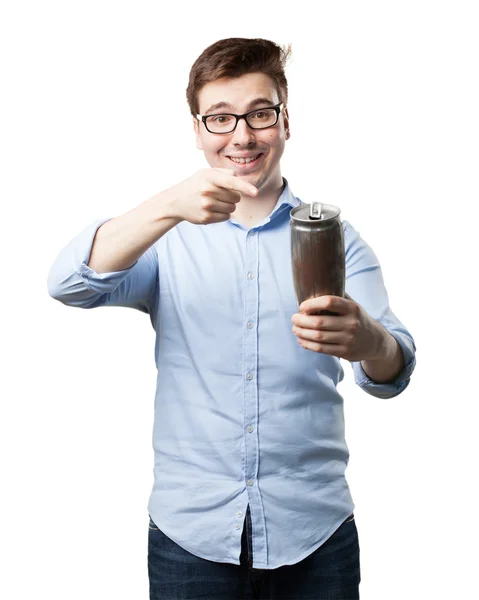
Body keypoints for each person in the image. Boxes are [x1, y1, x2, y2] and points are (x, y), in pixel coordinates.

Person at [47, 37, 416, 600]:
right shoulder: (164, 238)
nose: (241, 135)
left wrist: (369, 341)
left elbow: (393, 370)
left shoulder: (337, 237)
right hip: (191, 536)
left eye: (259, 114)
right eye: (219, 118)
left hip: (314, 533)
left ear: (285, 121)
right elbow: (69, 284)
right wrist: (169, 204)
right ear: (197, 131)